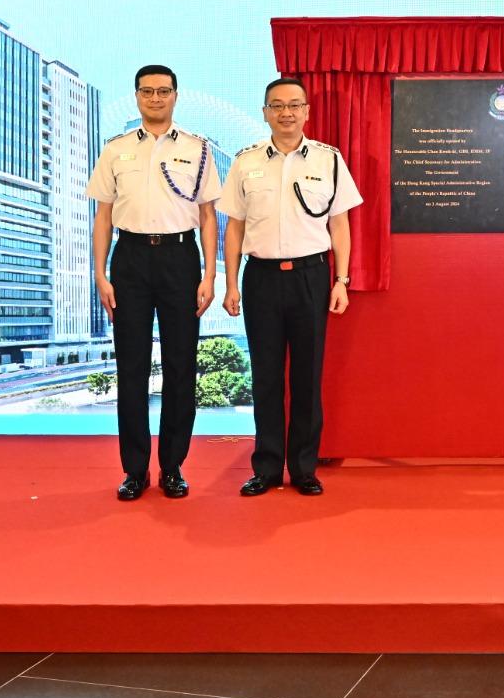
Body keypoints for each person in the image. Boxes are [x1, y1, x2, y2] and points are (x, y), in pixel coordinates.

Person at [221, 78, 362, 497]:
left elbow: (340, 224)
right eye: (277, 105)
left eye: (294, 105)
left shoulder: (328, 160)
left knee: (306, 375)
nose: (286, 113)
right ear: (265, 111)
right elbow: (235, 228)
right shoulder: (246, 162)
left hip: (311, 277)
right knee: (264, 377)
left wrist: (342, 280)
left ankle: (303, 468)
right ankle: (265, 468)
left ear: (306, 111)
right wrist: (231, 283)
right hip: (260, 277)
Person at [87, 64, 221, 501]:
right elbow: (103, 216)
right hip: (130, 260)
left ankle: (173, 467)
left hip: (181, 260)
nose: (156, 98)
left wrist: (209, 274)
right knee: (132, 367)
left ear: (175, 95)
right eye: (148, 92)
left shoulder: (198, 149)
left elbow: (207, 215)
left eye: (164, 91)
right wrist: (100, 273)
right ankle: (134, 471)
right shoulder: (116, 149)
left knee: (182, 367)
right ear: (137, 96)